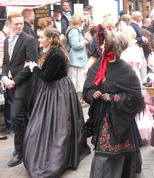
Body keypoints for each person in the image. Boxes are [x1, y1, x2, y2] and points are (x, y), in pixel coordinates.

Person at [23, 27, 90, 178]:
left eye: (41, 37)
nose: (39, 39)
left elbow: (46, 76)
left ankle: (58, 156)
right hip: (53, 90)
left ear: (50, 39)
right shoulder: (51, 52)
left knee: (59, 123)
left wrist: (34, 67)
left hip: (57, 92)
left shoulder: (56, 54)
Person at [83, 25, 145, 178]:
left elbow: (136, 97)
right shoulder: (99, 64)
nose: (102, 45)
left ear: (113, 46)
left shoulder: (126, 69)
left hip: (120, 117)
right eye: (102, 43)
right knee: (104, 154)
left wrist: (114, 98)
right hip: (103, 115)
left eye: (105, 43)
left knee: (116, 153)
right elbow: (88, 88)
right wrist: (93, 93)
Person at [2, 12, 38, 167]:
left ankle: (20, 151)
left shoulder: (29, 40)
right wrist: (3, 77)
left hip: (24, 84)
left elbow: (32, 64)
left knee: (16, 116)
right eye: (16, 23)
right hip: (9, 83)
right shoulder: (7, 40)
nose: (19, 26)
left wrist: (14, 81)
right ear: (9, 24)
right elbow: (6, 62)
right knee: (22, 117)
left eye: (21, 23)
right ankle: (30, 145)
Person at [66, 14, 88, 96]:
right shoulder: (73, 31)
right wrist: (84, 42)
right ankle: (76, 100)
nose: (83, 23)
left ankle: (78, 99)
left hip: (78, 59)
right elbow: (75, 45)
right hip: (76, 59)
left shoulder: (75, 30)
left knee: (78, 81)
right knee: (76, 81)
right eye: (82, 21)